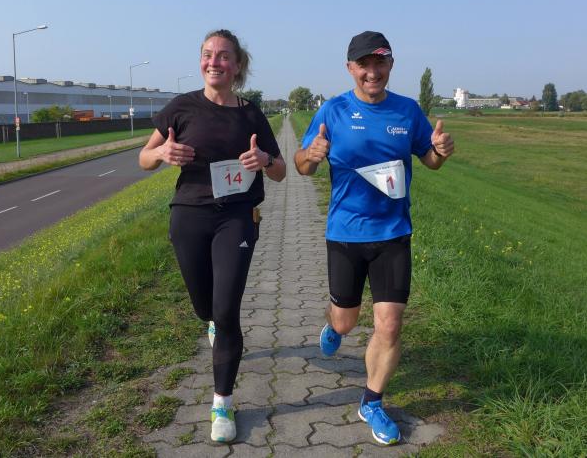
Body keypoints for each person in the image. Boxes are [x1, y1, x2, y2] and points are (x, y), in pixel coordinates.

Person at [294, 31, 454, 446]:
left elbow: (430, 160)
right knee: (346, 321)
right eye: (363, 64)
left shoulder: (407, 110)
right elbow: (302, 166)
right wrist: (310, 155)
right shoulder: (334, 110)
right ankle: (334, 325)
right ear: (350, 68)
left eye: (379, 62)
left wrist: (440, 151)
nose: (372, 71)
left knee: (390, 324)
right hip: (345, 233)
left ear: (390, 65)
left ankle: (372, 401)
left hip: (393, 234)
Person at [139, 29, 286, 442]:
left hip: (236, 217)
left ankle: (222, 402)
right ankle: (211, 323)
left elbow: (280, 171)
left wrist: (265, 159)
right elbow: (143, 158)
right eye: (208, 54)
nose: (214, 62)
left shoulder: (251, 115)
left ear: (237, 65)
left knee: (226, 310)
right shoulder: (181, 108)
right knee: (204, 307)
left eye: (223, 56)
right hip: (189, 215)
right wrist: (161, 153)